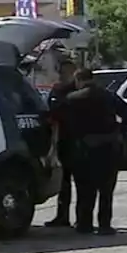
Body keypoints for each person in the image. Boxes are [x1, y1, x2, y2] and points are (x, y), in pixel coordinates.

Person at [49, 67, 127, 235]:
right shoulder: (108, 95)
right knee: (106, 189)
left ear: (78, 80)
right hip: (109, 146)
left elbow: (58, 117)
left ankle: (84, 224)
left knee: (85, 189)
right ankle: (104, 225)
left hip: (84, 148)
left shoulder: (72, 99)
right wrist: (120, 130)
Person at [44, 57, 78, 228]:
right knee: (64, 182)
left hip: (78, 141)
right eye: (61, 72)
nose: (62, 75)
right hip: (63, 140)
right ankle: (62, 216)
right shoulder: (57, 90)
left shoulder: (77, 91)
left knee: (82, 182)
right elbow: (50, 114)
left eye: (66, 72)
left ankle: (82, 219)